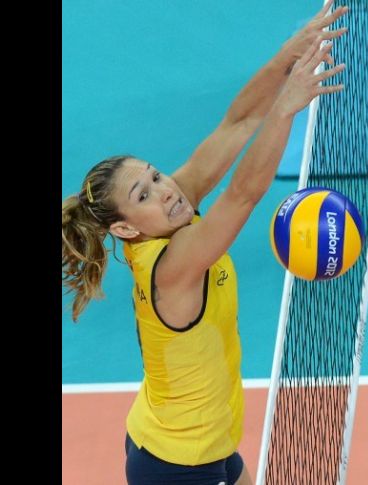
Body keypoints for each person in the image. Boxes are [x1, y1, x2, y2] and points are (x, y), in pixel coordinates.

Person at [61, 3, 348, 483]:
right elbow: (243, 194)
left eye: (155, 174)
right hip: (180, 465)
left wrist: (285, 57)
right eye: (144, 194)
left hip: (188, 440)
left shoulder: (172, 210)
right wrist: (287, 106)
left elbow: (234, 126)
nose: (166, 189)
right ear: (126, 229)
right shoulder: (172, 264)